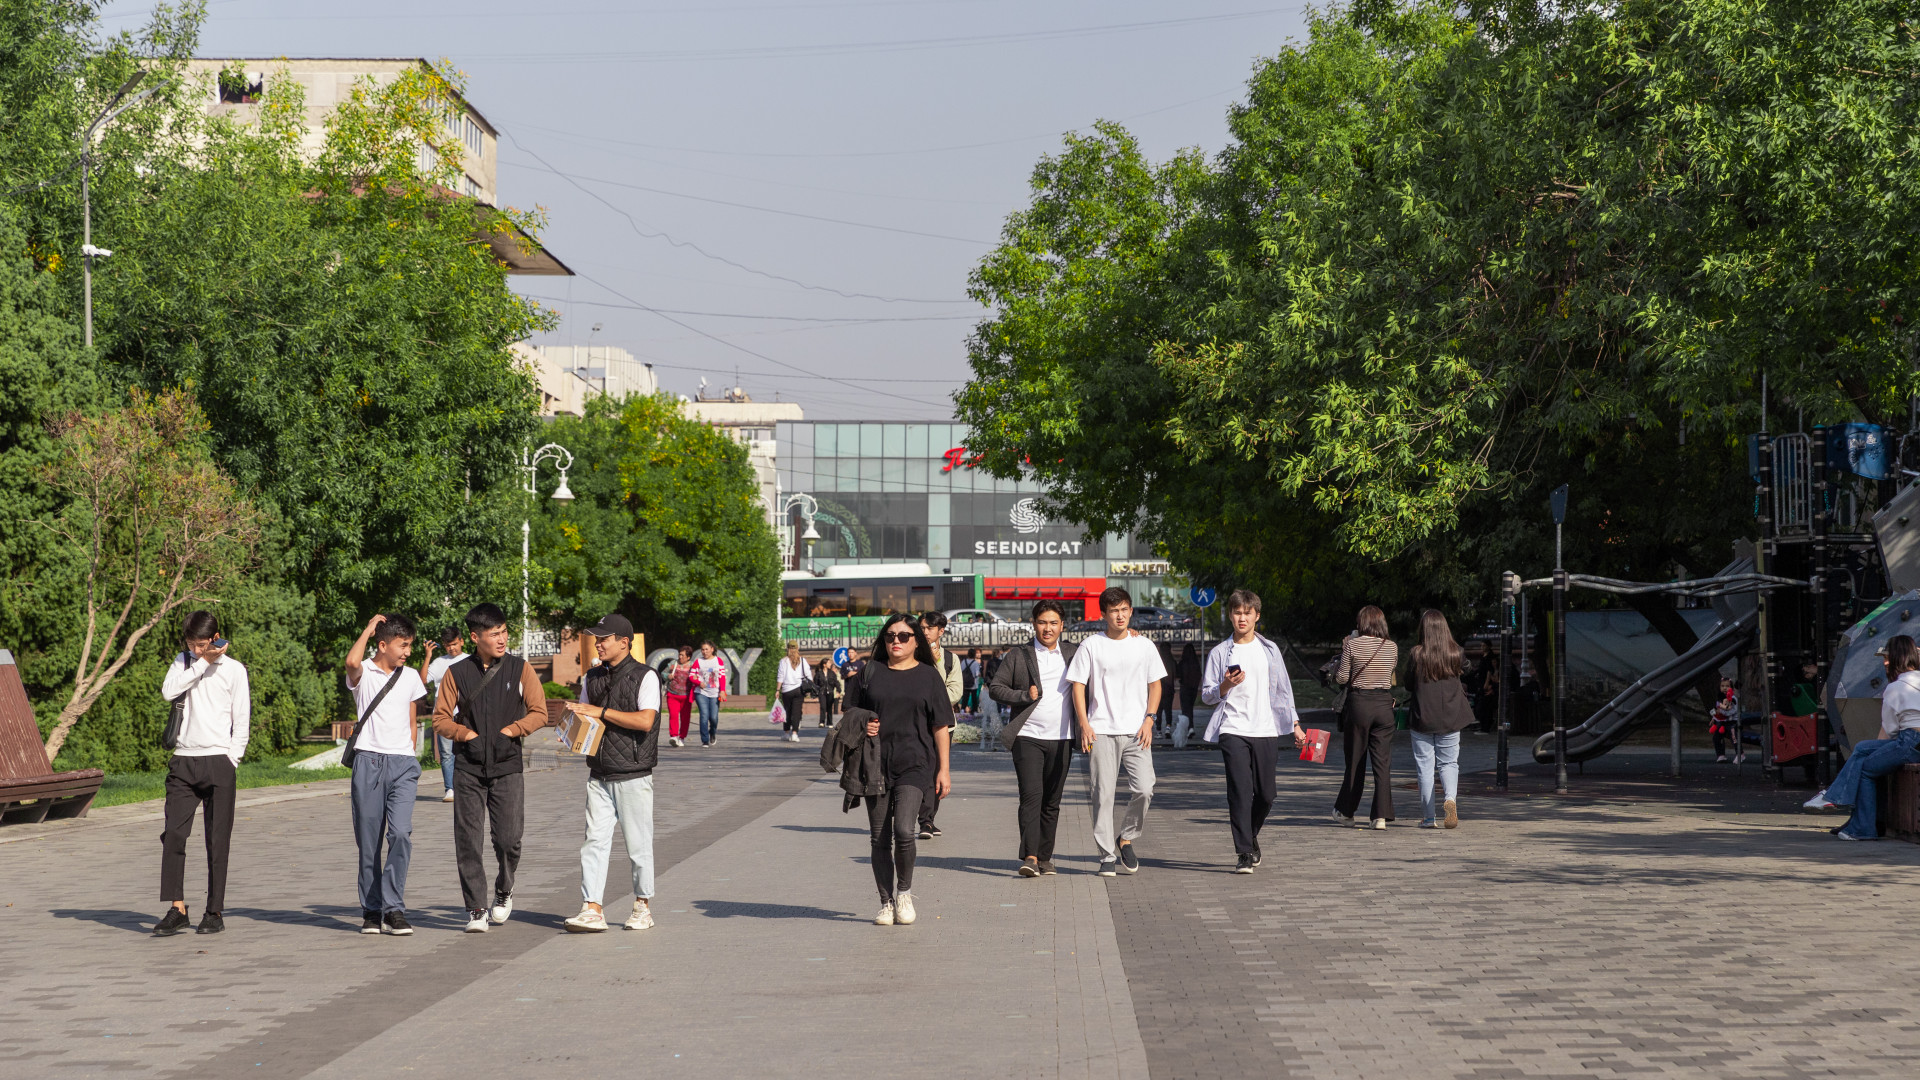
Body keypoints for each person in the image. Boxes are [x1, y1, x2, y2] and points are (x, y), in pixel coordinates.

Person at [431, 602, 550, 933]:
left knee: (509, 839)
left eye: (504, 632)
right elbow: (440, 718)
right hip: (468, 768)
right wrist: (465, 734)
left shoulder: (519, 668)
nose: (502, 638)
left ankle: (504, 888)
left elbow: (539, 712)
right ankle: (476, 909)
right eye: (494, 633)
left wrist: (510, 731)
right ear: (475, 637)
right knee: (468, 839)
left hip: (507, 765)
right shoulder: (457, 673)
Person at [844, 614, 954, 926]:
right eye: (891, 635)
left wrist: (944, 769)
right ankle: (885, 902)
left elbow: (941, 726)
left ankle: (904, 892)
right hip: (874, 763)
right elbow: (849, 710)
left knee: (904, 830)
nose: (896, 640)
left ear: (916, 641)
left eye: (904, 636)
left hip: (915, 763)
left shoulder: (928, 677)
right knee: (879, 837)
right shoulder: (870, 672)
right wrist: (864, 721)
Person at [563, 614, 664, 932]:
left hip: (634, 774)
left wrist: (601, 712)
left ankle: (642, 906)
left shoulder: (646, 677)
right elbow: (585, 718)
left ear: (624, 642)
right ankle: (592, 908)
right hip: (599, 772)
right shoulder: (590, 678)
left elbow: (646, 721)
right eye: (596, 638)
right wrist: (571, 726)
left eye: (604, 638)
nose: (598, 643)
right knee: (593, 841)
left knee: (638, 844)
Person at [152, 611, 250, 937]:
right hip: (183, 761)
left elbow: (242, 718)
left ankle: (214, 911)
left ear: (216, 637)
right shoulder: (183, 663)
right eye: (191, 644)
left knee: (216, 840)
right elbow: (168, 692)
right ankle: (177, 908)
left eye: (202, 644)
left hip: (219, 762)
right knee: (173, 835)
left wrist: (232, 758)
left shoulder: (234, 670)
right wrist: (200, 662)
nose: (196, 648)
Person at [1199, 590, 1305, 873]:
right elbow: (1207, 696)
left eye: (1247, 613)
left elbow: (1283, 691)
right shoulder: (1221, 653)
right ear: (1230, 616)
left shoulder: (1269, 650)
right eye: (1237, 612)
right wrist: (1225, 686)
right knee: (1240, 792)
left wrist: (1294, 724)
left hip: (1266, 729)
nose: (1242, 618)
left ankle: (1251, 834)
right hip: (1233, 729)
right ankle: (1244, 851)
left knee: (1267, 794)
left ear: (1257, 616)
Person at [1066, 587, 1166, 877]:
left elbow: (1155, 685)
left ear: (1130, 611)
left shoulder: (1144, 645)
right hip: (1102, 731)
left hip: (1137, 731)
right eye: (1113, 611)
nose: (1119, 615)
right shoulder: (1091, 646)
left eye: (1124, 609)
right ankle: (1106, 856)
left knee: (1145, 788)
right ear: (1104, 614)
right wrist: (1084, 723)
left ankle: (1126, 837)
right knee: (1102, 795)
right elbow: (1078, 685)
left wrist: (1149, 719)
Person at [341, 613, 428, 935]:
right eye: (402, 645)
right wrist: (367, 627)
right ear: (383, 644)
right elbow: (351, 660)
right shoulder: (364, 672)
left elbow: (411, 718)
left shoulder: (409, 678)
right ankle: (371, 910)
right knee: (369, 843)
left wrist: (411, 754)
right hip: (369, 761)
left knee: (401, 834)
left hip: (402, 763)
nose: (407, 652)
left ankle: (394, 909)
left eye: (410, 646)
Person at [990, 600, 1079, 876]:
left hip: (1063, 737)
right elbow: (995, 687)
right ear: (1034, 624)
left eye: (1053, 623)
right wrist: (1022, 696)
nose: (1048, 628)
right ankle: (1029, 857)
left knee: (1052, 800)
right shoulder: (1020, 655)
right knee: (1032, 795)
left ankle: (1045, 857)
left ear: (1062, 626)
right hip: (1028, 736)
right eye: (1042, 622)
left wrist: (1132, 634)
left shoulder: (1074, 653)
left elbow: (1104, 656)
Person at [1805, 635, 1920, 838]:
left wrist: (1875, 753)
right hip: (1913, 742)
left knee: (1865, 768)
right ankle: (1838, 803)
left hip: (1909, 742)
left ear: (1897, 658)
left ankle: (1862, 827)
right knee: (1862, 749)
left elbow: (1889, 731)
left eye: (1887, 657)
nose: (1884, 662)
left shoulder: (1895, 688)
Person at [1332, 605, 1399, 830]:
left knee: (1355, 761)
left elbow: (1342, 678)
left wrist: (1345, 649)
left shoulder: (1353, 643)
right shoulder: (1391, 646)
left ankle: (1347, 812)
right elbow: (1389, 675)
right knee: (1382, 763)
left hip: (1360, 704)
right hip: (1384, 705)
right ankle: (1380, 817)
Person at [1407, 609, 1474, 830]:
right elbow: (1468, 669)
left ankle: (1428, 818)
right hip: (1451, 718)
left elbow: (1408, 683)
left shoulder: (1417, 654)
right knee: (1449, 763)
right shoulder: (1455, 652)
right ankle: (1451, 799)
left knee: (1425, 767)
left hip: (1423, 717)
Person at [916, 611, 964, 839]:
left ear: (940, 631)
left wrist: (936, 667)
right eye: (922, 628)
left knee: (937, 772)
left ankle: (927, 820)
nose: (925, 632)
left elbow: (955, 691)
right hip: (914, 723)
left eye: (929, 628)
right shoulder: (911, 654)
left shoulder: (949, 659)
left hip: (942, 725)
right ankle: (919, 817)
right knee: (919, 771)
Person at [419, 626, 466, 802]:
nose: (451, 648)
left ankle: (467, 786)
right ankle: (450, 789)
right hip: (444, 714)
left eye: (454, 644)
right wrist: (428, 656)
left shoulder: (470, 660)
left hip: (465, 714)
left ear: (461, 641)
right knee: (446, 753)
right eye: (447, 645)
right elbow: (422, 681)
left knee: (467, 751)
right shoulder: (439, 662)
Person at [691, 641, 727, 747]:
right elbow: (691, 675)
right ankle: (705, 740)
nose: (704, 651)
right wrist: (699, 682)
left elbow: (722, 677)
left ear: (712, 649)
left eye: (706, 649)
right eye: (702, 649)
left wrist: (722, 690)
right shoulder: (698, 661)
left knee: (714, 718)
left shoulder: (718, 661)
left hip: (715, 693)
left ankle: (712, 733)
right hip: (701, 692)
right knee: (704, 715)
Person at [776, 642, 810, 744]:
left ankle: (786, 733)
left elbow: (780, 676)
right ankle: (795, 734)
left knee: (787, 712)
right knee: (796, 712)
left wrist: (778, 690)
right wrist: (809, 689)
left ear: (787, 649)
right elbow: (808, 675)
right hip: (799, 690)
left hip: (786, 690)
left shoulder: (783, 661)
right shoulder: (803, 661)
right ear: (797, 648)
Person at [664, 645, 694, 748]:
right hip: (672, 694)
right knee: (673, 715)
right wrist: (667, 676)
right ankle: (674, 736)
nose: (680, 657)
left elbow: (699, 676)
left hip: (686, 696)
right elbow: (663, 673)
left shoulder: (693, 666)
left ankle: (682, 737)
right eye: (679, 654)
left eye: (682, 655)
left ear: (688, 657)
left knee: (685, 718)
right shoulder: (673, 664)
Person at [1709, 677, 1742, 763]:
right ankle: (1721, 755)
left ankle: (1740, 754)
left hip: (1732, 722)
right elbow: (1718, 711)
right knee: (1716, 737)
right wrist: (1714, 718)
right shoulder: (1720, 698)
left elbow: (1731, 711)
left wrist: (1721, 712)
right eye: (1722, 686)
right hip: (1723, 722)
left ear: (1731, 688)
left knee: (1733, 736)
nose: (1724, 688)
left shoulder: (1733, 698)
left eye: (1727, 686)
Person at [1177, 643, 1202, 732]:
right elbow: (1199, 674)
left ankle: (1187, 728)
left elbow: (1178, 674)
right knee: (1190, 708)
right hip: (1193, 688)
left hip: (1184, 687)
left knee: (1185, 709)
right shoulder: (1196, 663)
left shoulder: (1182, 662)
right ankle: (1191, 727)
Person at [816, 656, 843, 729]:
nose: (830, 664)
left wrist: (838, 690)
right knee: (823, 707)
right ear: (824, 664)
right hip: (822, 692)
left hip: (830, 692)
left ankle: (829, 722)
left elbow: (836, 682)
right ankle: (821, 722)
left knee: (829, 707)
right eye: (829, 662)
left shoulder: (832, 673)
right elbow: (815, 684)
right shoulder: (819, 673)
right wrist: (815, 693)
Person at [960, 648, 982, 720]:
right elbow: (977, 673)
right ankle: (974, 710)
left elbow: (961, 671)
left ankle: (962, 709)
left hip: (965, 682)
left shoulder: (963, 661)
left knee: (965, 697)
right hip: (974, 683)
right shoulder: (975, 663)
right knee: (974, 698)